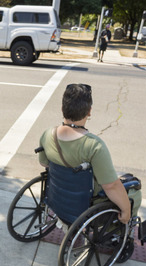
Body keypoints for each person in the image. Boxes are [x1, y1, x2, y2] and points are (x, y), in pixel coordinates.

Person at [38, 83, 140, 224]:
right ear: (89, 111)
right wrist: (126, 211)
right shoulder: (94, 146)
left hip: (59, 197)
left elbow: (44, 163)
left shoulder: (47, 134)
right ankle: (113, 234)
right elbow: (110, 186)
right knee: (134, 193)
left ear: (62, 108)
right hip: (86, 202)